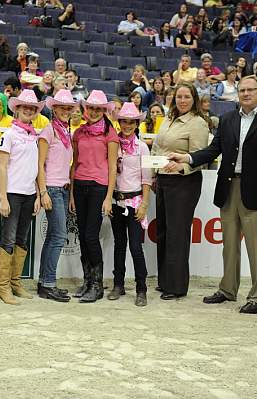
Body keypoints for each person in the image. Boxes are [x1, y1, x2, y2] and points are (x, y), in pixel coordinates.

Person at [170, 75, 257, 314]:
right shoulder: (227, 119)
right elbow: (214, 150)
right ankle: (227, 289)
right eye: (242, 90)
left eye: (250, 90)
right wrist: (189, 158)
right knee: (229, 244)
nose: (245, 94)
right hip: (228, 187)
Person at [151, 82, 210, 299]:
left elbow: (201, 156)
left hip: (185, 182)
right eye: (179, 97)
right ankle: (165, 280)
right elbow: (157, 147)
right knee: (164, 232)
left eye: (186, 97)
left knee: (177, 233)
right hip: (164, 180)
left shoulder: (198, 123)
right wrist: (155, 172)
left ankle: (176, 287)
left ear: (194, 99)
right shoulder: (167, 119)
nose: (182, 101)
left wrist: (182, 166)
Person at [0, 89, 45, 305]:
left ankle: (15, 283)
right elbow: (3, 167)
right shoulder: (9, 134)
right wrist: (4, 197)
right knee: (8, 238)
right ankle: (3, 287)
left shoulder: (35, 136)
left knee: (21, 240)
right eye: (25, 106)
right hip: (13, 193)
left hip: (28, 193)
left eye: (32, 108)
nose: (28, 110)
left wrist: (36, 194)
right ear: (17, 109)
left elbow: (37, 167)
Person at [70, 90, 119, 303]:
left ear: (104, 111)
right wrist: (71, 193)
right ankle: (88, 281)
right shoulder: (79, 133)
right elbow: (74, 164)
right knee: (82, 236)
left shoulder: (110, 134)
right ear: (86, 109)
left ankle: (97, 285)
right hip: (80, 185)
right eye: (91, 108)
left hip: (99, 187)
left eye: (98, 109)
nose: (94, 112)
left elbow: (112, 168)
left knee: (91, 235)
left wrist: (109, 197)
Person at [106, 102, 152, 306]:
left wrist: (144, 205)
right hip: (117, 200)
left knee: (135, 247)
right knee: (119, 245)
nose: (127, 125)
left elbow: (147, 179)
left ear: (136, 123)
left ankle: (141, 288)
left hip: (135, 202)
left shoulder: (142, 147)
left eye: (130, 122)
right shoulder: (113, 145)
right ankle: (118, 284)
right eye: (123, 121)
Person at [36, 89, 77, 302]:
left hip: (62, 188)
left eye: (69, 108)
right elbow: (40, 164)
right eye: (62, 107)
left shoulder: (65, 133)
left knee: (54, 236)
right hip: (51, 188)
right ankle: (48, 283)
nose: (66, 111)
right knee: (59, 236)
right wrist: (43, 192)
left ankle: (45, 283)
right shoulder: (48, 131)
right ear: (54, 108)